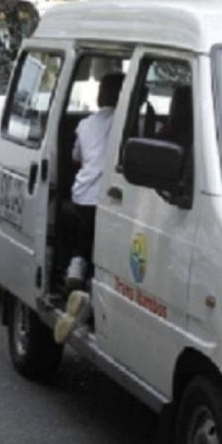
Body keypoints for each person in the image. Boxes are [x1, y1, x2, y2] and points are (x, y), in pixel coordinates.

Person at [61, 73, 124, 291]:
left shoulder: (84, 124)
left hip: (82, 193)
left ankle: (75, 268)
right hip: (110, 196)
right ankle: (94, 281)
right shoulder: (126, 123)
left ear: (101, 96)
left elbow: (76, 157)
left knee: (85, 232)